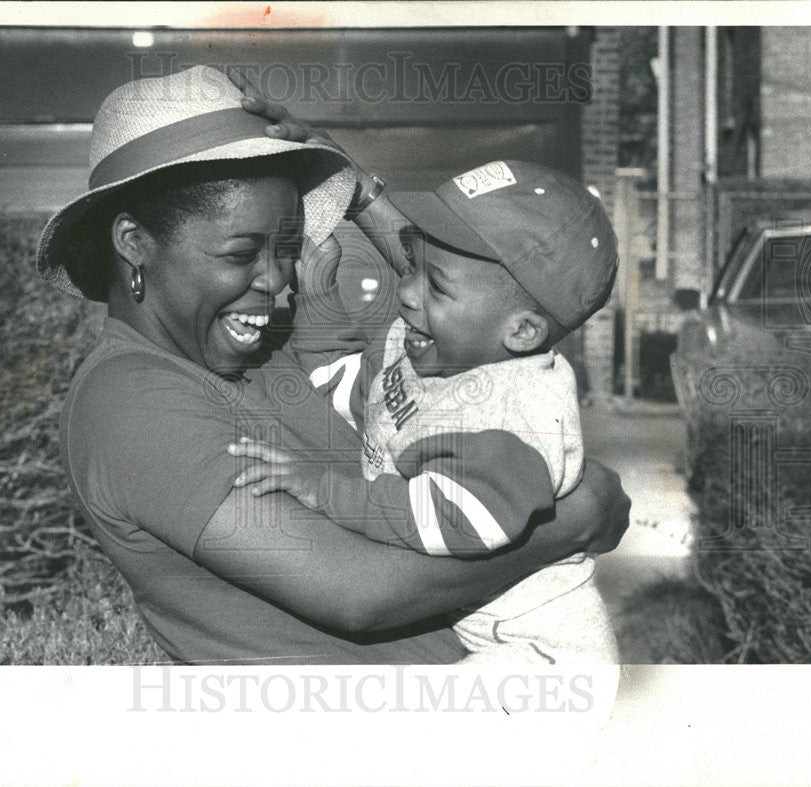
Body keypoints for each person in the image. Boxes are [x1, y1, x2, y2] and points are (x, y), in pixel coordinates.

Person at [36, 64, 631, 664]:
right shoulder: (130, 404)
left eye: (288, 250)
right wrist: (565, 524)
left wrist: (362, 195)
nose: (277, 282)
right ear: (134, 241)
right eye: (242, 253)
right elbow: (359, 592)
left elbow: (471, 311)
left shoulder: (259, 346)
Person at [233, 160, 620, 664]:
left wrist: (323, 488)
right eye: (411, 264)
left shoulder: (515, 412)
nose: (407, 291)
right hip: (486, 634)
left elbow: (450, 521)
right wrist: (319, 295)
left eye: (436, 285)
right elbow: (355, 392)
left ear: (522, 332)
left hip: (544, 654)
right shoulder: (437, 349)